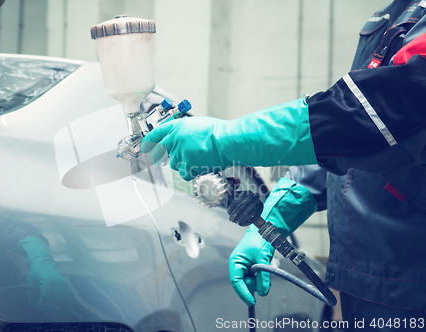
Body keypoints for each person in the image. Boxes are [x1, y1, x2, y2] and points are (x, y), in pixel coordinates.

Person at [141, 0, 426, 328]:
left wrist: (224, 138)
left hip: (413, 284)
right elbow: (351, 143)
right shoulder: (401, 10)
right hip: (367, 279)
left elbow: (374, 113)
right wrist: (272, 222)